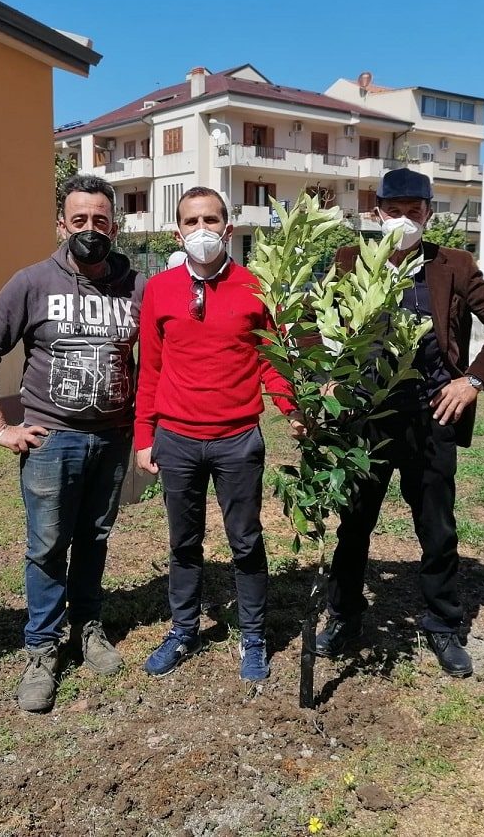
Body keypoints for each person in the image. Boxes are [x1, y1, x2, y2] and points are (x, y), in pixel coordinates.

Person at [314, 168, 484, 678]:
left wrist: (470, 381)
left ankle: (443, 623)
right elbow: (313, 325)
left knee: (436, 525)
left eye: (414, 211)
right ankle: (344, 615)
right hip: (369, 416)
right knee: (355, 522)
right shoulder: (348, 262)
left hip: (433, 414)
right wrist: (328, 378)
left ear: (429, 214)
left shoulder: (454, 264)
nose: (403, 220)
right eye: (394, 211)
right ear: (375, 212)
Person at [0, 175, 145, 714]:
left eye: (101, 220)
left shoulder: (134, 285)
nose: (91, 229)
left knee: (94, 538)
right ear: (61, 225)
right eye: (80, 220)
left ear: (115, 224)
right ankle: (41, 648)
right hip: (52, 441)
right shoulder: (32, 283)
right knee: (46, 546)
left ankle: (87, 628)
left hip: (111, 439)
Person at [135, 186, 306, 682]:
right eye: (192, 221)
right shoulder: (159, 289)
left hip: (237, 439)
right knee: (183, 542)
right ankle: (183, 630)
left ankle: (253, 636)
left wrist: (293, 410)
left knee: (246, 541)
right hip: (177, 439)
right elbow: (151, 369)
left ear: (229, 229)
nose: (202, 230)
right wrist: (145, 435)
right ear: (177, 231)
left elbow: (272, 361)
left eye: (212, 220)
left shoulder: (255, 289)